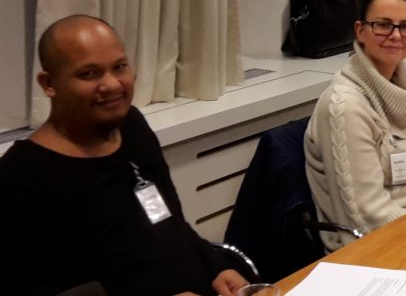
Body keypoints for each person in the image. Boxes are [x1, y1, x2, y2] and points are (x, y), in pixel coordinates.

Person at [0, 15, 248, 296]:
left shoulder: (131, 126)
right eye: (89, 74)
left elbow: (169, 222)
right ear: (49, 84)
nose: (112, 85)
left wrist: (216, 267)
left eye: (119, 67)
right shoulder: (22, 175)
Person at [304, 0, 406, 251]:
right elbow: (367, 214)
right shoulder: (346, 106)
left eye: (405, 26)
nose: (396, 35)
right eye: (383, 25)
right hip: (375, 246)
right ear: (360, 31)